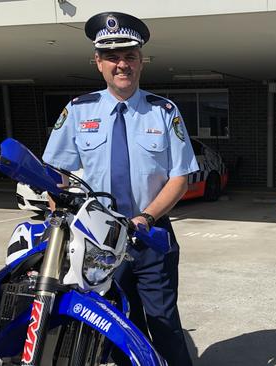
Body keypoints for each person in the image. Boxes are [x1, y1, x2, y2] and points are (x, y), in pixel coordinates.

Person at [42, 11, 198, 365]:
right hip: (97, 243)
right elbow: (56, 171)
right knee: (113, 326)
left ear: (141, 61)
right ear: (98, 62)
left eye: (129, 56)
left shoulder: (164, 111)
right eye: (112, 57)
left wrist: (146, 216)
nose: (121, 64)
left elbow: (180, 177)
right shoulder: (78, 111)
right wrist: (57, 206)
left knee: (164, 324)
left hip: (150, 236)